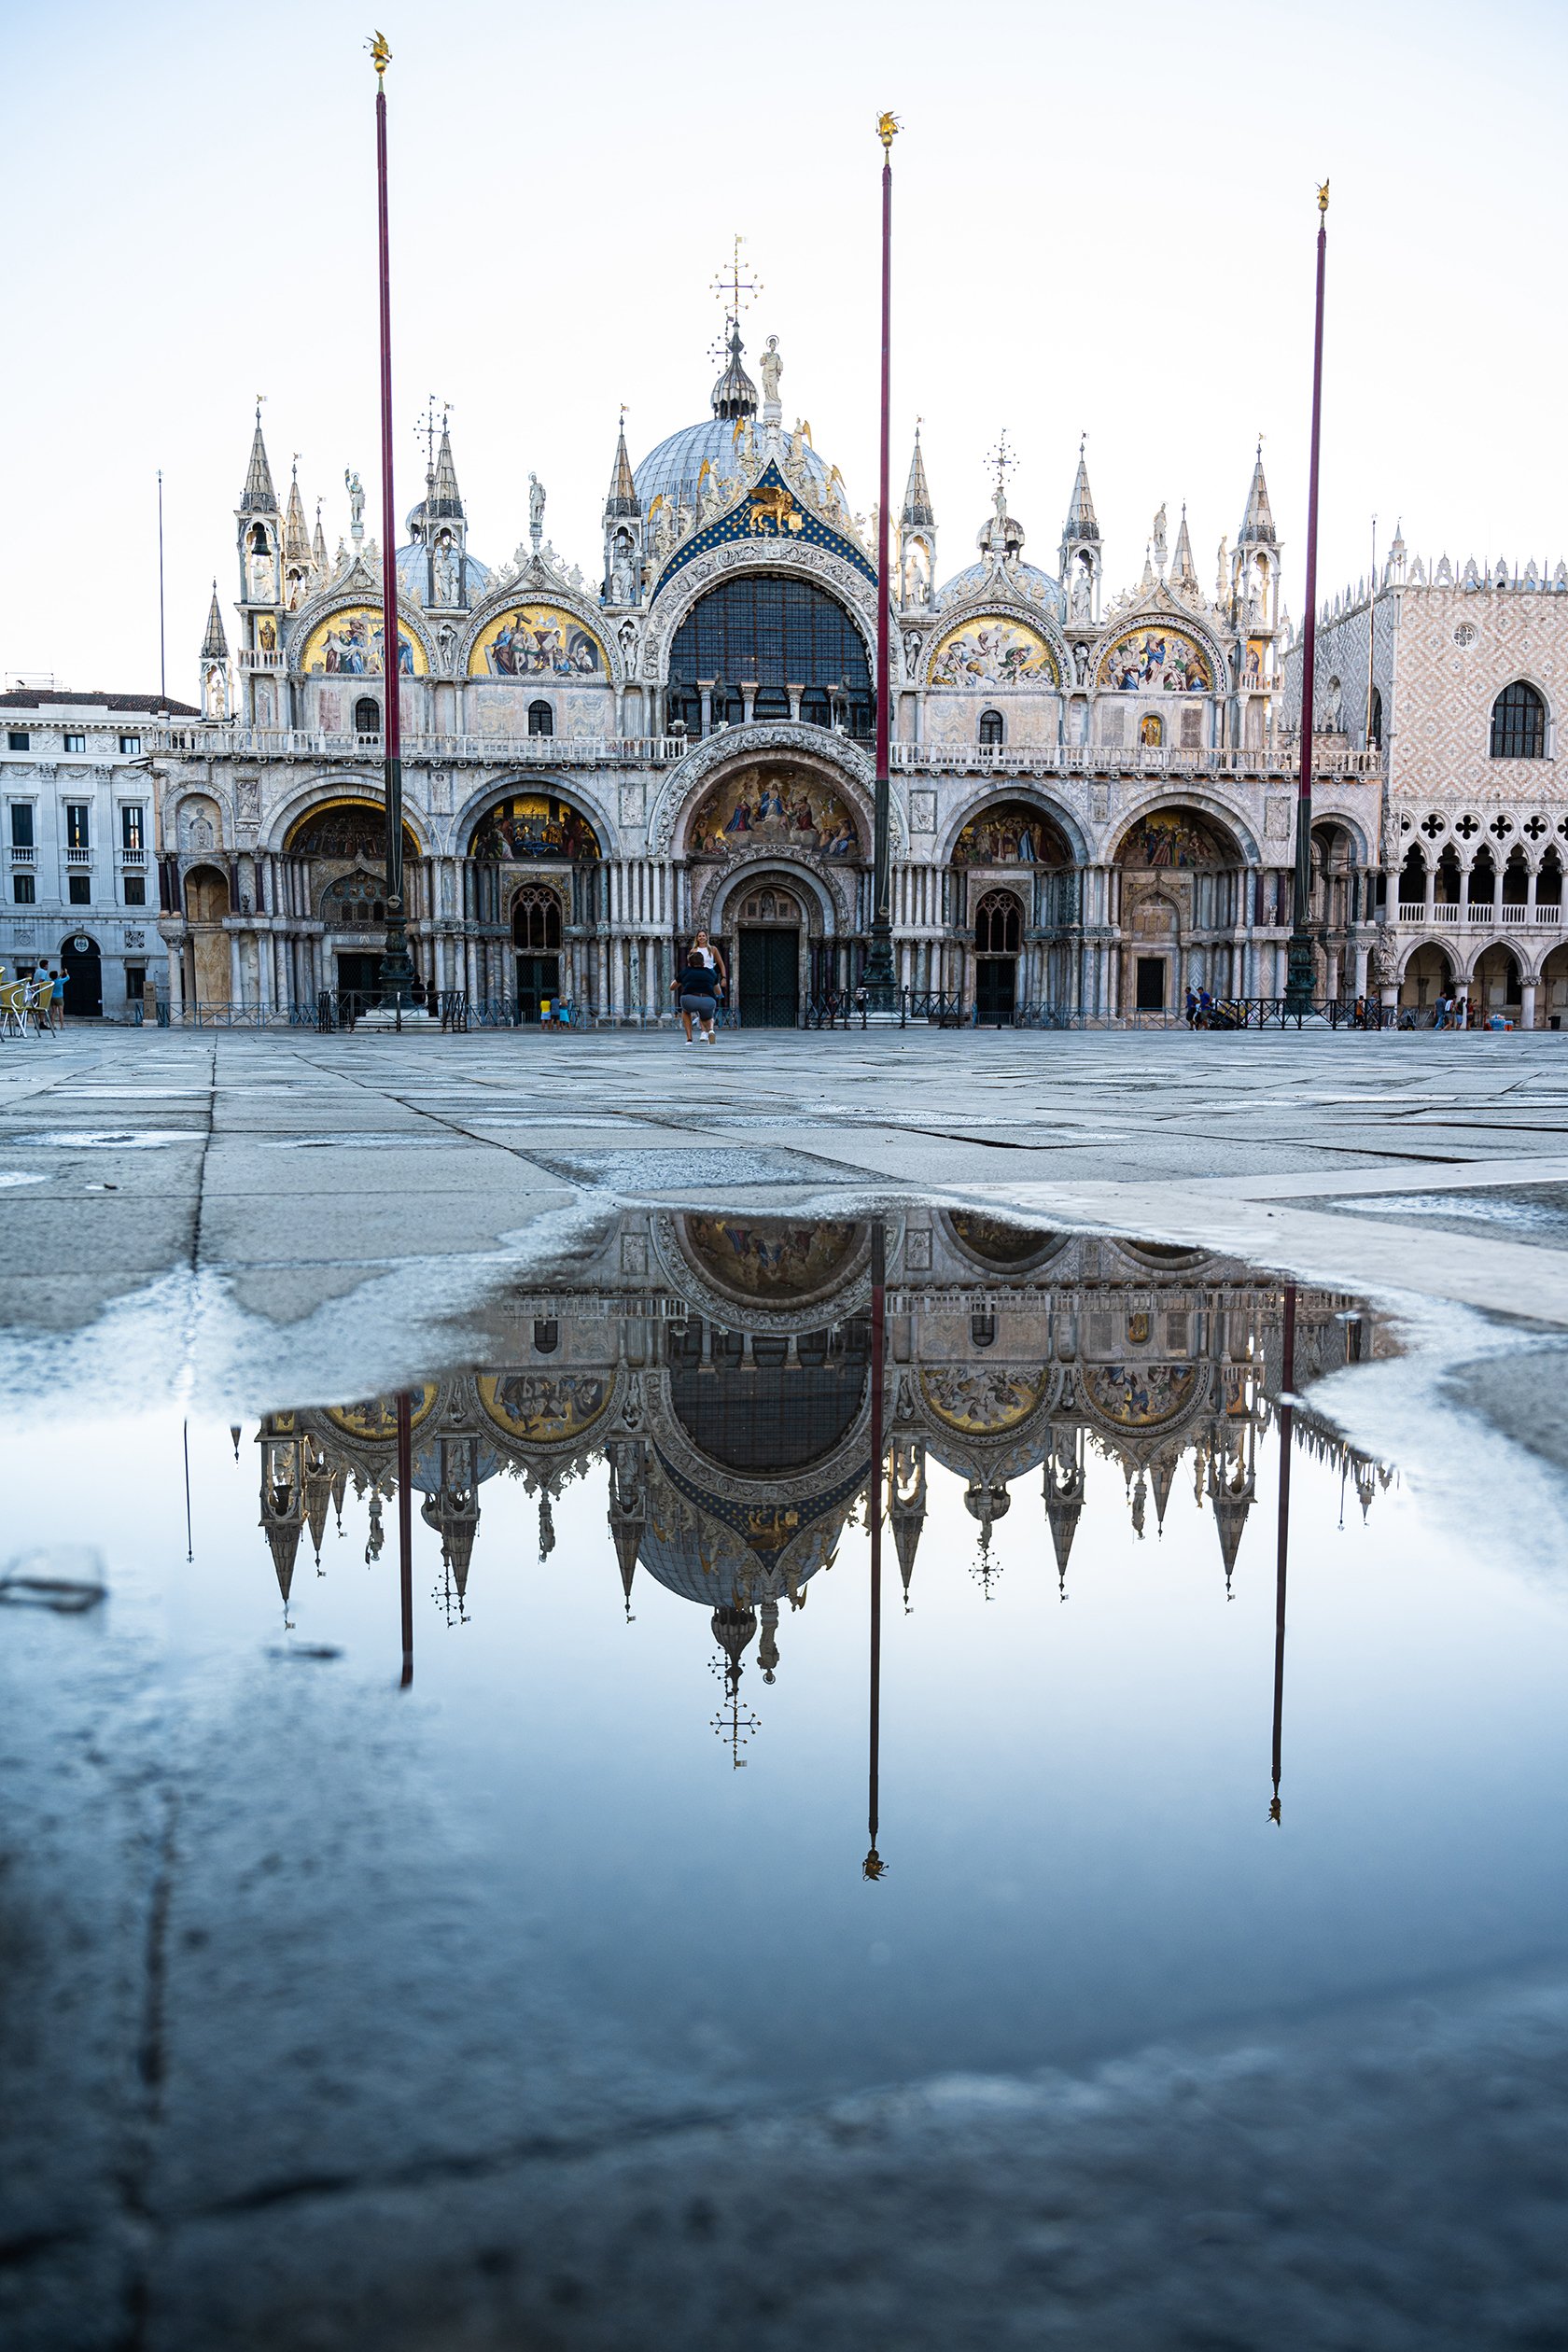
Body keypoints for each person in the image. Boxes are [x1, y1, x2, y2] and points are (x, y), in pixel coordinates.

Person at [672, 941, 720, 1044]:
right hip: (708, 1000)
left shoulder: (686, 971)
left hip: (690, 999)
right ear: (703, 963)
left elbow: (672, 987)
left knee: (686, 1011)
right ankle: (711, 1030)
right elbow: (718, 991)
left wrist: (680, 981)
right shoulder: (711, 972)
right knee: (708, 1016)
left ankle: (689, 1039)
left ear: (689, 963)